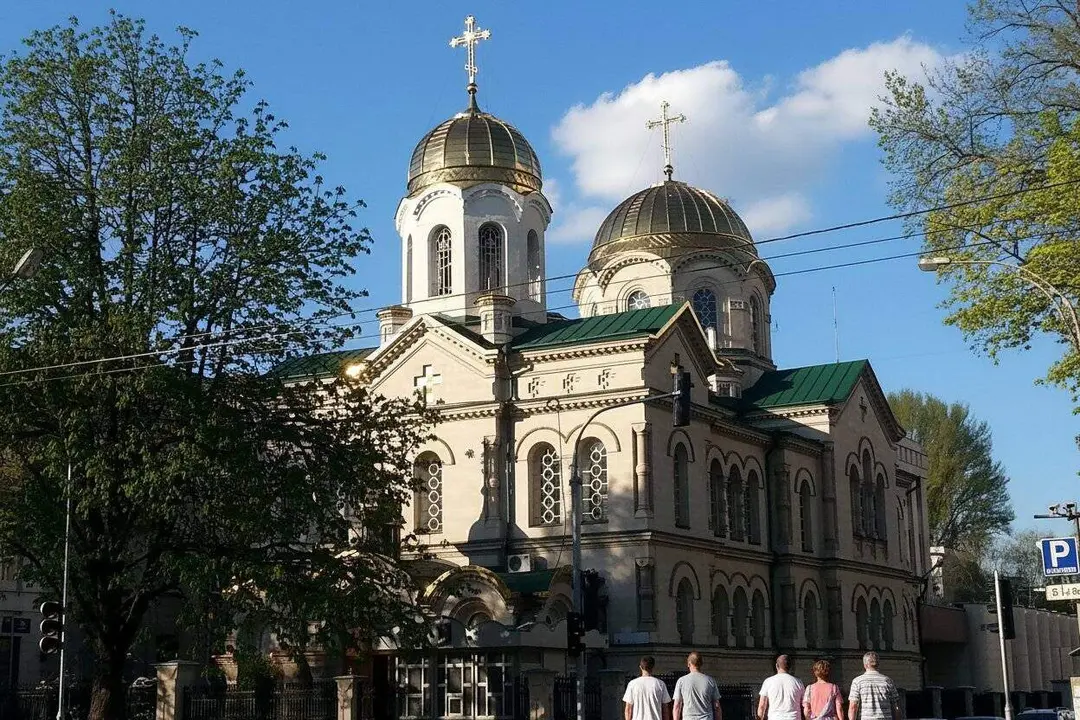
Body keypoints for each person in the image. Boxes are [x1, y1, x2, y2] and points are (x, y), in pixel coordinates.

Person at [848, 652, 900, 720]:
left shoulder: (857, 681)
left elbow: (853, 706)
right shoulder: (887, 681)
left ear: (865, 665)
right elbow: (896, 706)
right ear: (878, 664)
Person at [673, 651, 722, 720]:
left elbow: (677, 706)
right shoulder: (710, 681)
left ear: (688, 664)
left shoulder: (681, 681)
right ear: (701, 664)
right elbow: (717, 706)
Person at [624, 655, 673, 720]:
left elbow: (628, 708)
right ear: (653, 667)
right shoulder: (660, 684)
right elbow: (665, 708)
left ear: (640, 667)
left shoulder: (632, 684)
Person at [758, 655, 805, 720]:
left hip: (775, 717)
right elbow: (805, 705)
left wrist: (760, 718)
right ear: (790, 667)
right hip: (793, 718)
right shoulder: (798, 682)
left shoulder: (768, 682)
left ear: (777, 666)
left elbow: (762, 706)